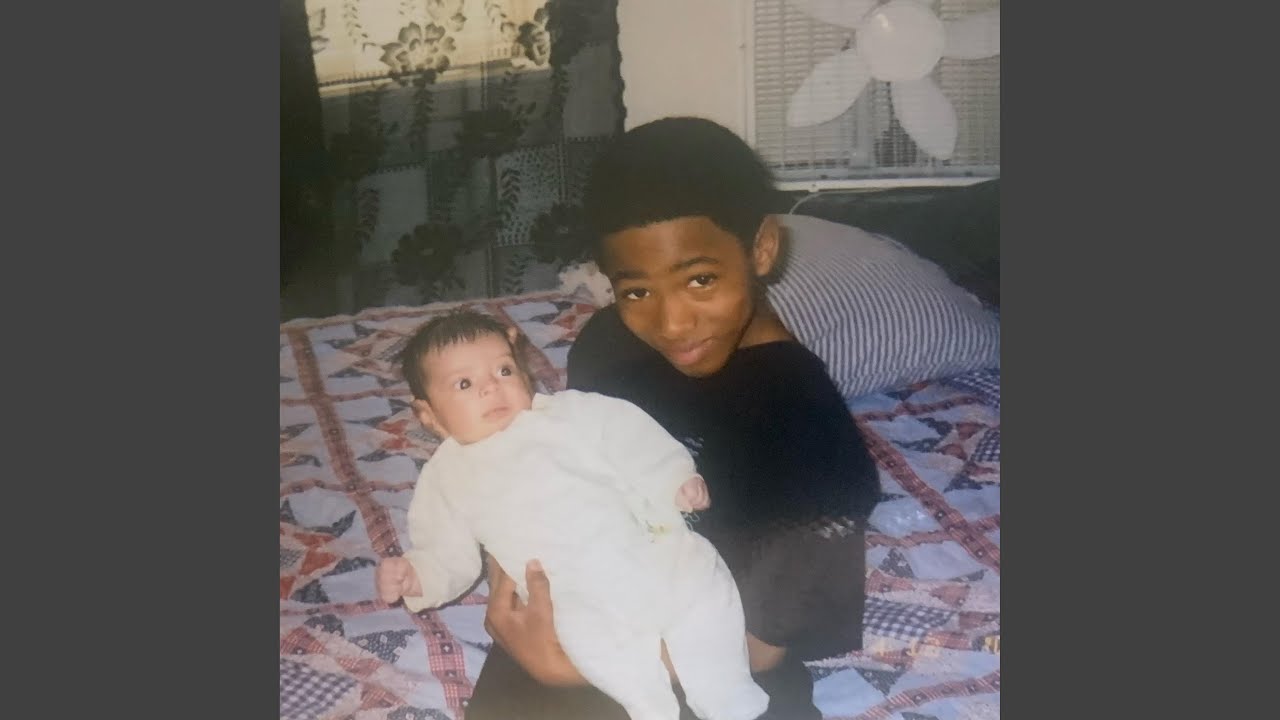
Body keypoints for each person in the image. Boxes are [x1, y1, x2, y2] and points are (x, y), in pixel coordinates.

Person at [466, 116, 882, 720]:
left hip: (707, 664)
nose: (672, 323)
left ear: (761, 248)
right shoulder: (609, 344)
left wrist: (566, 666)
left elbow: (762, 648)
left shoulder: (809, 434)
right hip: (586, 610)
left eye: (700, 280)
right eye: (636, 291)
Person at [377, 310, 769, 720]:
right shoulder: (447, 476)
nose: (491, 387)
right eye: (464, 383)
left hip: (651, 548)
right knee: (589, 641)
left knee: (705, 586)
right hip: (570, 592)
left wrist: (673, 478)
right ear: (429, 416)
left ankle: (728, 696)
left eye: (504, 370)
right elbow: (445, 552)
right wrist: (417, 575)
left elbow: (632, 438)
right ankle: (648, 704)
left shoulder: (571, 413)